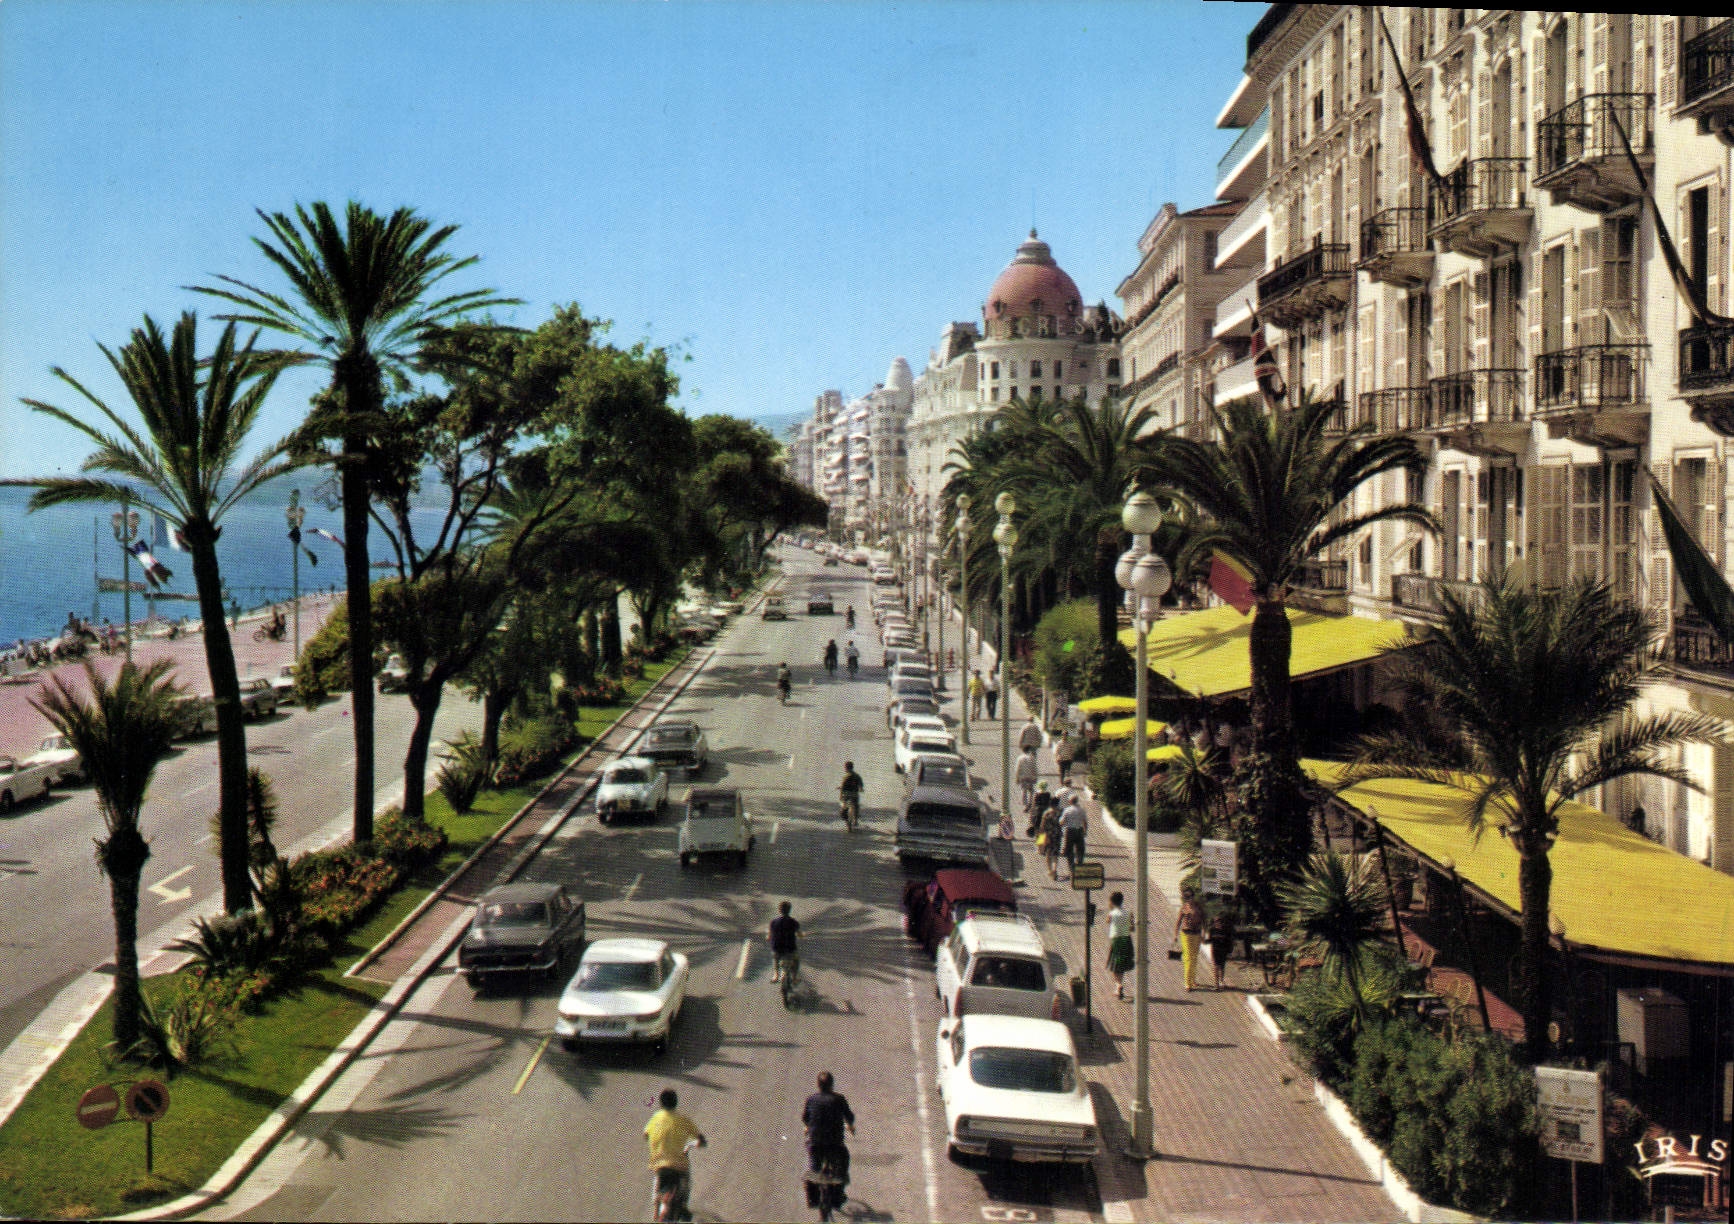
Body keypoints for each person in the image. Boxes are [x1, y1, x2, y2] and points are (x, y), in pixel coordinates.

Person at [645, 1088, 707, 1221]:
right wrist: (697, 1143)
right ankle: (683, 1206)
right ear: (676, 1103)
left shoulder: (655, 1118)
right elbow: (701, 1140)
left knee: (658, 1179)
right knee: (685, 1182)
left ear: (661, 1103)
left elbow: (646, 1135)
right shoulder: (684, 1120)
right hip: (679, 1165)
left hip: (659, 1164)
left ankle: (656, 1210)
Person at [802, 1072, 856, 1221]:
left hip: (816, 1143)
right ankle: (839, 1193)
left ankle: (813, 1197)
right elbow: (849, 1117)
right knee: (843, 1163)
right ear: (832, 1085)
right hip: (835, 1144)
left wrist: (809, 1127)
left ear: (818, 1085)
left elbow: (805, 1118)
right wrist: (850, 1125)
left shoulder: (811, 1099)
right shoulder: (839, 1099)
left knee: (814, 1168)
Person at [1175, 888, 1207, 992]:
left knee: (1194, 957)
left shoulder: (1198, 907)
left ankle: (1192, 979)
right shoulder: (1184, 908)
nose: (1189, 899)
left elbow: (1204, 921)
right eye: (1186, 898)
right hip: (1186, 934)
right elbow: (1178, 922)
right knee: (1188, 957)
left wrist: (1203, 934)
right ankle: (1187, 983)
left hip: (1196, 934)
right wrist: (1175, 935)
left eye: (1190, 897)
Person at [1105, 891, 1134, 1000]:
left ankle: (1118, 985)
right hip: (1126, 940)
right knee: (1121, 965)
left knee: (1114, 966)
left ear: (1111, 902)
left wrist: (1111, 909)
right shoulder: (1129, 913)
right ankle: (1118, 986)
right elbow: (1132, 928)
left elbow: (1107, 921)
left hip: (1116, 941)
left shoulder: (1112, 914)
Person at [769, 901, 801, 983]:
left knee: (775, 958)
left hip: (777, 947)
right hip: (790, 948)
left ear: (779, 910)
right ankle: (794, 977)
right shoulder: (793, 922)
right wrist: (801, 935)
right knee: (796, 960)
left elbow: (769, 935)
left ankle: (776, 975)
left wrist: (769, 937)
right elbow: (799, 934)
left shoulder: (773, 922)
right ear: (789, 910)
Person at [1207, 904, 1237, 991]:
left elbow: (1229, 941)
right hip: (1215, 950)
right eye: (1216, 921)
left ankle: (1221, 980)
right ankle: (1216, 984)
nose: (1217, 923)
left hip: (1223, 950)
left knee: (1222, 967)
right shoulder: (1212, 930)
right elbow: (1210, 941)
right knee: (1216, 966)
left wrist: (1230, 951)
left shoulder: (1225, 930)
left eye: (1219, 921)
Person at [1059, 790, 1087, 877]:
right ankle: (1079, 866)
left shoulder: (1067, 810)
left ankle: (1072, 869)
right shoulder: (1082, 810)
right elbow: (1085, 822)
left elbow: (1062, 822)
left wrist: (1061, 826)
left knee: (1069, 851)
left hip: (1069, 831)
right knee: (1080, 850)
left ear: (1070, 801)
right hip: (1079, 830)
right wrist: (1085, 831)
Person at [1014, 745, 1039, 813]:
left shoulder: (1020, 758)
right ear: (1029, 750)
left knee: (1024, 791)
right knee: (1031, 791)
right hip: (1030, 777)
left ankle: (1025, 805)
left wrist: (1017, 777)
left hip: (1023, 777)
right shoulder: (1032, 758)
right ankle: (1030, 803)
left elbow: (1017, 768)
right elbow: (1034, 768)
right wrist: (1035, 777)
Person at [838, 761, 864, 826]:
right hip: (854, 795)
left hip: (846, 795)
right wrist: (861, 788)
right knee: (856, 806)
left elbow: (842, 787)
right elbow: (861, 784)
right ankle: (856, 819)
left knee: (843, 808)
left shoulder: (846, 776)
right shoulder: (857, 775)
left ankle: (847, 819)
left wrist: (840, 796)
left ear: (846, 768)